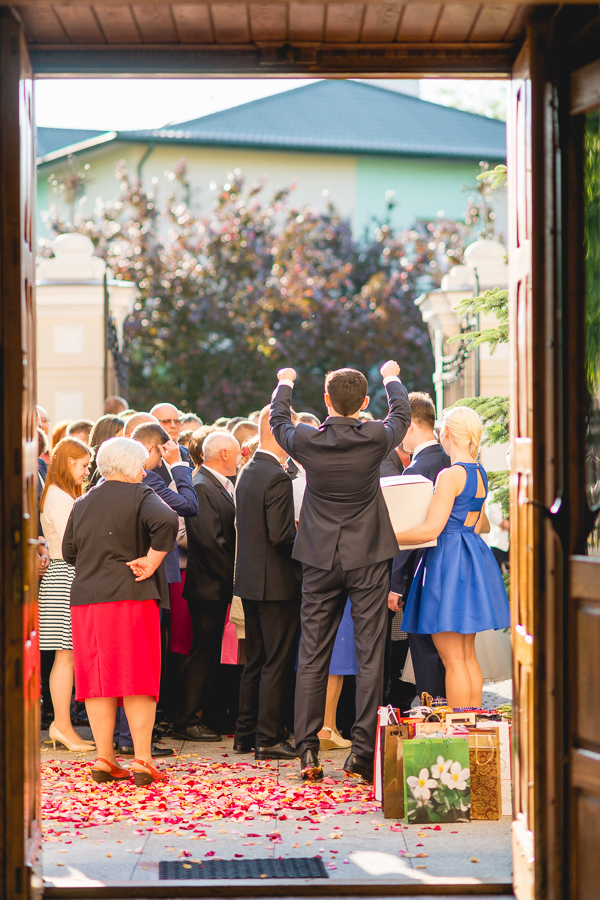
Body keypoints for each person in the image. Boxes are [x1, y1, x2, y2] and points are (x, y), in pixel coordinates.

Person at [270, 361, 411, 783]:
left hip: (319, 557)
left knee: (313, 654)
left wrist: (285, 382)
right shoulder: (375, 437)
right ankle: (363, 754)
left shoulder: (307, 439)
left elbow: (278, 421)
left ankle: (307, 751)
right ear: (364, 402)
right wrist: (391, 376)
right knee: (370, 655)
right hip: (367, 555)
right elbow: (402, 413)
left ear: (326, 401)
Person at [62, 437, 179, 785]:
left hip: (87, 599)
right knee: (138, 676)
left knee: (97, 679)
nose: (144, 472)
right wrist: (152, 560)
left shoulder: (83, 501)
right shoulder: (140, 494)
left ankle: (105, 757)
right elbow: (168, 519)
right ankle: (142, 759)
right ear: (129, 467)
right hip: (132, 596)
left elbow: (69, 551)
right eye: (141, 466)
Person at [397, 406, 510, 709]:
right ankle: (471, 724)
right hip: (470, 558)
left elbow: (431, 530)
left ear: (445, 432)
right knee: (467, 655)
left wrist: (387, 536)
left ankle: (458, 726)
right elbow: (481, 524)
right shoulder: (479, 471)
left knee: (452, 658)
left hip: (447, 563)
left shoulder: (450, 475)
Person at [233, 406, 301, 760]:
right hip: (276, 583)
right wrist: (306, 535)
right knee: (276, 660)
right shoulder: (276, 476)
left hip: (251, 581)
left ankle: (245, 734)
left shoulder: (248, 469)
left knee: (256, 660)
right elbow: (280, 536)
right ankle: (269, 738)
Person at [173, 431, 239, 741]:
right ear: (224, 454)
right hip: (209, 583)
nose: (239, 458)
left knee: (212, 652)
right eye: (236, 453)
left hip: (214, 582)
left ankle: (210, 715)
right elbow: (210, 541)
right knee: (203, 652)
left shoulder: (215, 483)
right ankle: (187, 719)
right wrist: (233, 578)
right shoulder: (201, 485)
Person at [388, 391, 451, 700]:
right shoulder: (451, 460)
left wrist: (396, 585)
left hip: (423, 573)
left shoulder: (415, 469)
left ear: (410, 426)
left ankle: (434, 713)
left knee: (425, 651)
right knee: (450, 652)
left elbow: (409, 536)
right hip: (452, 565)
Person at [39, 437, 94, 753]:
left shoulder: (60, 494)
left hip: (66, 573)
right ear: (69, 461)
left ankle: (63, 725)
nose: (86, 472)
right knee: (65, 655)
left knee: (67, 655)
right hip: (65, 574)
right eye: (84, 465)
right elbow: (73, 543)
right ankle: (61, 724)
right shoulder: (59, 497)